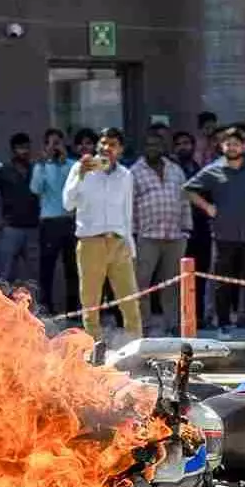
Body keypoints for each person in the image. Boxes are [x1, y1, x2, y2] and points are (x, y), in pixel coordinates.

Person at [184, 128, 245, 341]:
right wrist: (207, 207)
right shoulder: (213, 170)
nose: (232, 147)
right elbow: (187, 189)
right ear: (221, 146)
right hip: (223, 235)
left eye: (236, 144)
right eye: (228, 144)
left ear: (243, 147)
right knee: (222, 283)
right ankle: (223, 325)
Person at [63, 127, 142, 343]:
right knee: (91, 301)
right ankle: (93, 346)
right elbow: (68, 203)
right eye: (103, 143)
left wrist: (130, 247)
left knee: (129, 299)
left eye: (112, 144)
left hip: (118, 242)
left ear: (120, 150)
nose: (107, 148)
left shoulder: (126, 175)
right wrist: (80, 176)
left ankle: (135, 344)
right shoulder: (81, 168)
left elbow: (127, 212)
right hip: (91, 241)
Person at [131, 133, 192, 335]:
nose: (153, 148)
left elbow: (184, 200)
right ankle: (144, 326)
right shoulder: (134, 172)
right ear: (143, 148)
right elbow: (128, 205)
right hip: (146, 236)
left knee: (172, 283)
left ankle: (173, 324)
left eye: (157, 144)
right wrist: (132, 234)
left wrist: (186, 229)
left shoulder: (175, 170)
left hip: (175, 236)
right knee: (142, 283)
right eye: (149, 144)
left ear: (163, 147)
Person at [0, 133, 41, 287]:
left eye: (27, 147)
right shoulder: (3, 171)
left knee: (35, 275)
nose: (25, 151)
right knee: (4, 275)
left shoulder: (37, 170)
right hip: (10, 230)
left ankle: (38, 309)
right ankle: (5, 309)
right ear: (13, 150)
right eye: (21, 148)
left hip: (33, 229)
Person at [30, 128, 79, 316]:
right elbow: (36, 189)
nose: (55, 147)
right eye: (51, 143)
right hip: (49, 222)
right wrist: (44, 164)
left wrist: (64, 161)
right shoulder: (41, 166)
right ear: (45, 146)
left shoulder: (72, 165)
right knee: (47, 267)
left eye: (58, 142)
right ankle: (46, 308)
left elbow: (75, 188)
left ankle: (73, 309)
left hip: (69, 221)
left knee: (72, 268)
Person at [173, 131, 212, 324]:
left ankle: (199, 315)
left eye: (187, 143)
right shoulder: (171, 171)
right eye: (179, 144)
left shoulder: (200, 170)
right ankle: (182, 318)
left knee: (200, 274)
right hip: (178, 229)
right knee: (178, 276)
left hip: (201, 228)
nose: (183, 147)